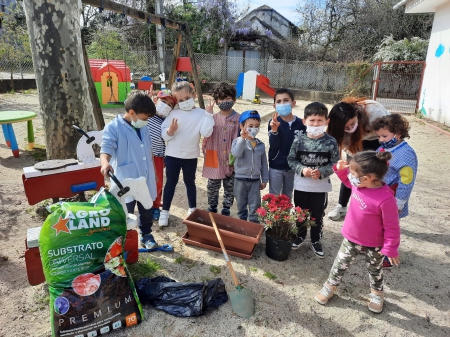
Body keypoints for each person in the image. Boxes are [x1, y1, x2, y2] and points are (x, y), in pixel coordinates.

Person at [315, 151, 400, 314]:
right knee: (340, 263)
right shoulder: (358, 183)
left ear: (367, 178)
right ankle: (330, 286)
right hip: (351, 237)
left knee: (374, 268)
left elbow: (392, 227)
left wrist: (390, 249)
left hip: (375, 243)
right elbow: (347, 181)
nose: (350, 176)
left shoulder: (386, 199)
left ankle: (377, 293)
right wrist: (340, 170)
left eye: (353, 173)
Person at [100, 91, 158, 249]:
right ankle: (124, 240)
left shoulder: (143, 126)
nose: (146, 122)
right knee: (126, 211)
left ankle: (146, 234)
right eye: (145, 118)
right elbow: (106, 147)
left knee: (147, 207)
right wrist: (105, 162)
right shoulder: (113, 127)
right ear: (132, 113)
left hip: (145, 177)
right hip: (125, 179)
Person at [159, 81, 215, 226]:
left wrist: (209, 115)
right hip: (172, 156)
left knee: (190, 182)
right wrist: (170, 131)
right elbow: (164, 134)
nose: (184, 102)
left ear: (194, 95)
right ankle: (164, 212)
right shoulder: (173, 113)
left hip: (190, 157)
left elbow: (206, 132)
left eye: (187, 98)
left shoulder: (202, 113)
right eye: (180, 100)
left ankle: (192, 209)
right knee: (170, 183)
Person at [287, 102, 339, 258]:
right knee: (300, 213)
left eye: (320, 120)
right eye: (312, 120)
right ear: (304, 122)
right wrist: (302, 170)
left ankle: (316, 240)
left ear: (326, 122)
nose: (316, 124)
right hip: (301, 185)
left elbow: (335, 163)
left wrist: (322, 172)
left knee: (317, 214)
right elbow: (291, 160)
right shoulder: (299, 140)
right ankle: (300, 236)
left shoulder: (331, 142)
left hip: (320, 188)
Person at [327, 98, 390, 221]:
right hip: (354, 141)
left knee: (373, 173)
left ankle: (372, 208)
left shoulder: (375, 113)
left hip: (377, 139)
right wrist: (355, 161)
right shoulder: (338, 127)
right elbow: (343, 144)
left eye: (352, 123)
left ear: (356, 114)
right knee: (353, 171)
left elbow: (390, 132)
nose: (351, 127)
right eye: (346, 127)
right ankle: (342, 206)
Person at [372, 114, 418, 269]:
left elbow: (406, 181)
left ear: (398, 133)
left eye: (384, 135)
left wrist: (399, 202)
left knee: (388, 226)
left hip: (392, 196)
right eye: (378, 136)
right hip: (378, 194)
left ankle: (388, 255)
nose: (381, 139)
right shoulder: (384, 147)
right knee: (376, 223)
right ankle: (372, 245)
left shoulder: (406, 154)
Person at [202, 82, 241, 216]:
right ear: (216, 101)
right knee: (212, 185)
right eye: (221, 99)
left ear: (234, 99)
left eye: (228, 98)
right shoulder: (212, 118)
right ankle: (212, 206)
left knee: (230, 186)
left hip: (231, 157)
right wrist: (208, 114)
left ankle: (226, 208)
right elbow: (205, 134)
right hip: (214, 156)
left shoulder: (239, 119)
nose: (225, 101)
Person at [231, 110, 269, 223]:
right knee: (241, 204)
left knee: (255, 205)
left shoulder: (261, 145)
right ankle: (242, 224)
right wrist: (242, 139)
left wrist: (265, 179)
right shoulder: (237, 141)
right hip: (240, 180)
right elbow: (236, 154)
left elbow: (264, 164)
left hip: (255, 181)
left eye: (257, 126)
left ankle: (253, 226)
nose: (254, 129)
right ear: (242, 126)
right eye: (250, 126)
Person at [268, 88, 306, 198]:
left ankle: (286, 216)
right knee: (274, 196)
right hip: (276, 167)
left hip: (293, 168)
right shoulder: (273, 123)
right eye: (278, 101)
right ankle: (274, 216)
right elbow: (274, 146)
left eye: (286, 100)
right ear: (274, 106)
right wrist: (274, 130)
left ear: (293, 103)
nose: (282, 103)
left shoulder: (301, 123)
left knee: (287, 196)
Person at [147, 89, 177, 221]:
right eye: (163, 101)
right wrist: (146, 101)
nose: (166, 105)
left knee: (157, 182)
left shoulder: (167, 121)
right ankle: (142, 205)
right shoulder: (146, 113)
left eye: (170, 105)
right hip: (142, 154)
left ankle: (155, 206)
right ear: (156, 100)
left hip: (158, 156)